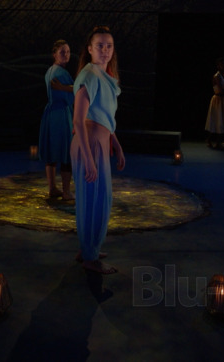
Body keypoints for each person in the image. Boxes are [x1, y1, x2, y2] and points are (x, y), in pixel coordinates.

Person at [71, 26, 125, 274]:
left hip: (98, 142)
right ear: (90, 49)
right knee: (96, 199)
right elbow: (78, 120)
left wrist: (116, 145)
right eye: (100, 45)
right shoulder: (90, 76)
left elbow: (104, 116)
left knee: (94, 197)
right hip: (89, 143)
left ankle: (88, 248)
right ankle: (90, 257)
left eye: (109, 46)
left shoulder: (104, 76)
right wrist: (89, 158)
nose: (105, 50)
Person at [39, 40, 75, 200]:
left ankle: (52, 188)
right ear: (54, 54)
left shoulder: (50, 71)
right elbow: (77, 92)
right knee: (67, 152)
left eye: (68, 52)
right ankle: (66, 192)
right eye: (62, 52)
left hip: (51, 114)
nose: (66, 54)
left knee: (52, 152)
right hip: (61, 114)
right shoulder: (61, 73)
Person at [205, 57, 224, 148]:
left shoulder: (223, 76)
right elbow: (220, 89)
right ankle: (210, 139)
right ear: (218, 66)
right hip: (217, 100)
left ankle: (217, 141)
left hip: (222, 100)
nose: (223, 66)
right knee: (216, 119)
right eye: (221, 64)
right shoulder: (217, 76)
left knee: (221, 120)